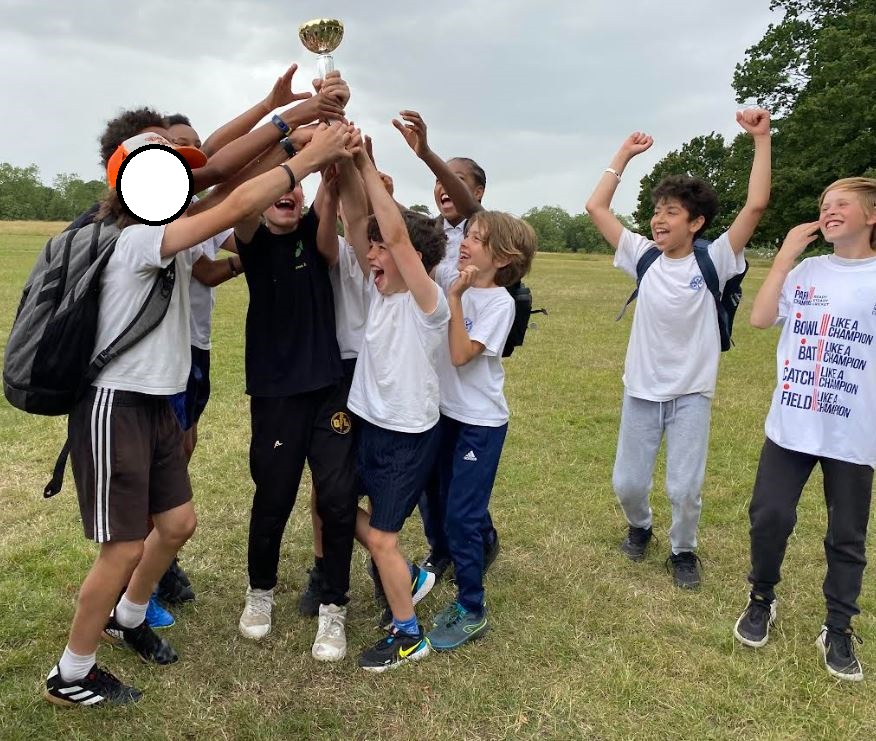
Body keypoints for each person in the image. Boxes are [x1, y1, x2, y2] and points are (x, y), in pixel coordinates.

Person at [44, 121, 354, 707]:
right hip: (117, 403)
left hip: (157, 403)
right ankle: (72, 671)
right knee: (124, 548)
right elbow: (237, 199)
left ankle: (128, 616)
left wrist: (290, 130)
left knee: (178, 524)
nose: (187, 181)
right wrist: (306, 153)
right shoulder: (135, 237)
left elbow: (224, 183)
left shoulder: (170, 232)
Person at [585, 108, 772, 588]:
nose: (658, 218)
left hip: (691, 392)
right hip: (641, 390)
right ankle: (640, 525)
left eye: (671, 212)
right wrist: (623, 157)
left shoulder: (717, 259)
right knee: (627, 483)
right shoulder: (642, 255)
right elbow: (597, 210)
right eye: (656, 209)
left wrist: (761, 140)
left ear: (696, 222)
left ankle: (683, 551)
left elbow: (754, 207)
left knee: (684, 488)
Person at [233, 73, 361, 665]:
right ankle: (260, 593)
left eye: (296, 194)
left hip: (329, 387)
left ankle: (334, 607)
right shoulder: (251, 238)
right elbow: (250, 197)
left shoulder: (317, 229)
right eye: (280, 192)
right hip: (276, 390)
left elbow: (332, 222)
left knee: (335, 499)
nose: (287, 199)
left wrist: (330, 156)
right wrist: (300, 139)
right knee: (275, 495)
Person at [733, 177, 876, 682]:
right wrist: (785, 257)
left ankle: (838, 627)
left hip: (853, 434)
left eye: (842, 204)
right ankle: (761, 598)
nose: (829, 210)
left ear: (871, 215)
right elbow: (759, 318)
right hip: (791, 424)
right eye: (824, 204)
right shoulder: (808, 271)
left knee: (846, 536)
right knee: (769, 516)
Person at [343, 134, 450, 671]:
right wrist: (356, 169)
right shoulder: (377, 291)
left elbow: (402, 241)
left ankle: (409, 634)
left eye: (380, 248)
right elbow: (359, 223)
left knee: (383, 538)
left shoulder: (428, 303)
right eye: (372, 248)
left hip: (407, 436)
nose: (371, 256)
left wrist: (364, 160)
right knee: (332, 506)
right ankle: (410, 577)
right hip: (368, 424)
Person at [393, 109, 499, 579]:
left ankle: (477, 540)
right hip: (432, 376)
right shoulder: (434, 234)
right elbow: (396, 228)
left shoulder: (484, 231)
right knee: (429, 478)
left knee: (460, 481)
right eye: (441, 180)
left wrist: (428, 155)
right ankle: (440, 546)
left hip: (468, 373)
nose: (444, 187)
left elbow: (466, 204)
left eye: (457, 181)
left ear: (477, 193)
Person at [427, 211, 536, 650]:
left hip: (479, 424)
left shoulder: (498, 303)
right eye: (467, 235)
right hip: (443, 414)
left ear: (504, 258)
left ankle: (472, 608)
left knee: (461, 516)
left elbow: (458, 355)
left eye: (478, 238)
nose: (466, 243)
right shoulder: (450, 278)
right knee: (434, 497)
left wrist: (455, 299)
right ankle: (474, 544)